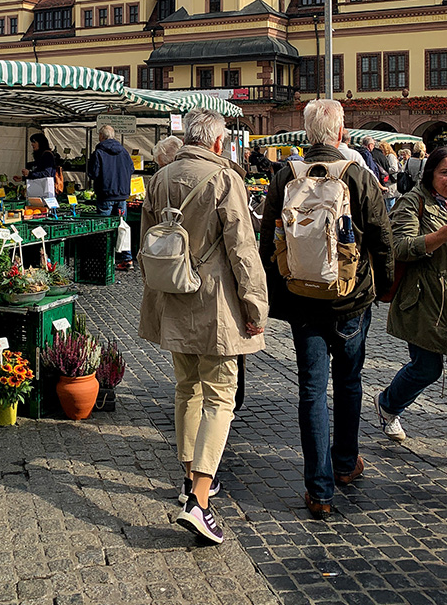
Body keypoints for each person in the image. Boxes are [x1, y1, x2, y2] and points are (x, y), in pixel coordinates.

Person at [259, 99, 394, 518]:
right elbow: (382, 238)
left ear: (305, 134)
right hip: (350, 299)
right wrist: (385, 287)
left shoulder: (285, 176)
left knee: (312, 391)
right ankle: (345, 464)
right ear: (340, 135)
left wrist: (274, 292)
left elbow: (268, 241)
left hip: (302, 300)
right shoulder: (358, 175)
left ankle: (319, 491)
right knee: (350, 383)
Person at [139, 108, 268, 544]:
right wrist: (255, 306)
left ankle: (192, 479)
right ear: (217, 142)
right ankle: (200, 499)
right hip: (214, 301)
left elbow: (146, 242)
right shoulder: (224, 179)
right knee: (219, 395)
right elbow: (243, 249)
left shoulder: (158, 178)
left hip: (173, 294)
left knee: (186, 389)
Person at [375, 147, 447, 476]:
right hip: (424, 302)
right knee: (426, 369)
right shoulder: (414, 202)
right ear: (430, 175)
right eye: (445, 172)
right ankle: (387, 405)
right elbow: (398, 247)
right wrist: (437, 237)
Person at [88, 125, 135, 270]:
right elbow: (132, 169)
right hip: (122, 197)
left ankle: (103, 260)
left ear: (101, 137)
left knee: (104, 228)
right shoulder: (124, 152)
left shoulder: (98, 153)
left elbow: (93, 174)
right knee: (122, 228)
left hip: (105, 195)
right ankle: (127, 259)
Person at [378, 140, 399, 210]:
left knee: (390, 205)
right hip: (387, 183)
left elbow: (394, 168)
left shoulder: (390, 156)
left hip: (391, 183)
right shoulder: (385, 156)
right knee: (388, 204)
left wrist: (384, 171)